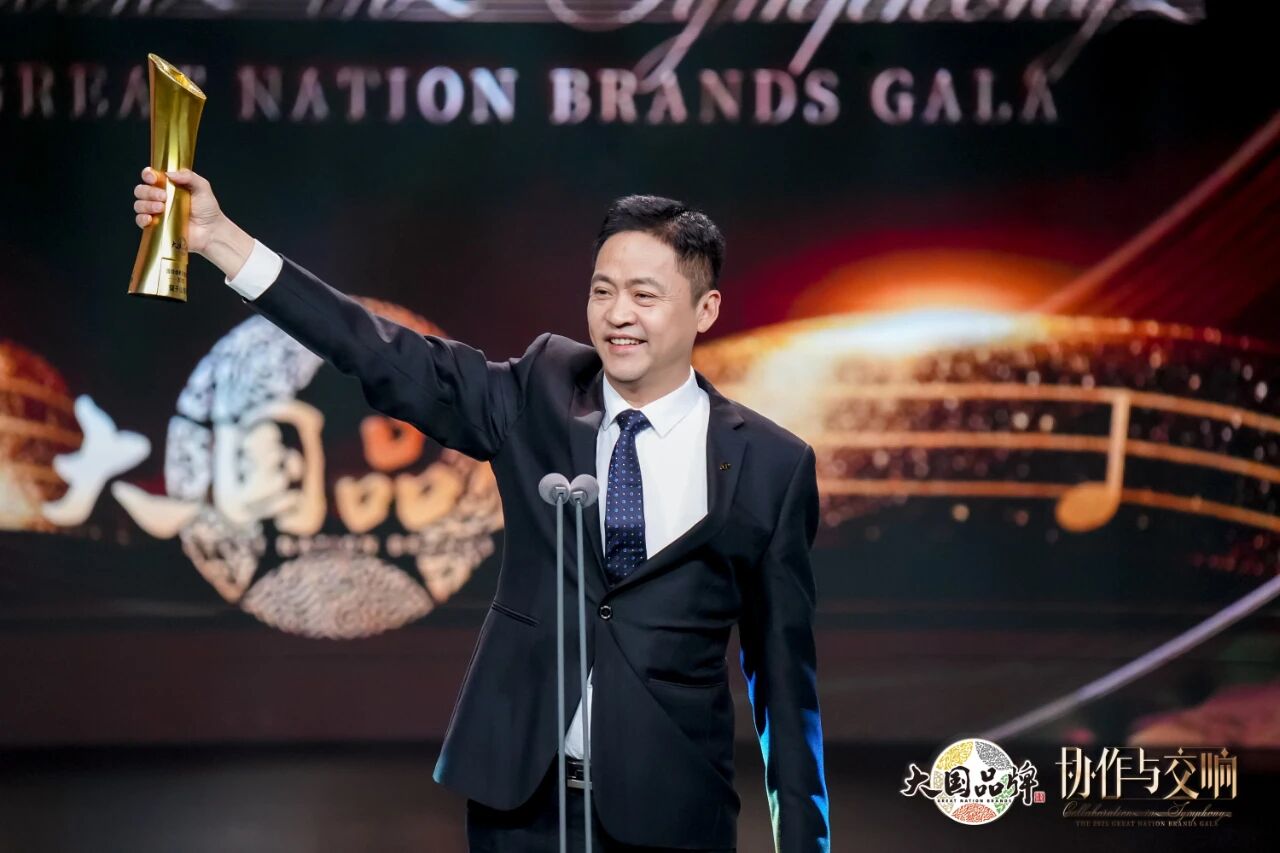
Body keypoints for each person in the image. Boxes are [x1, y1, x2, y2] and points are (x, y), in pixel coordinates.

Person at [131, 167, 832, 852]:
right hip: (522, 805)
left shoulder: (770, 465)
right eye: (602, 291)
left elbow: (784, 685)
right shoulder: (541, 392)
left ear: (706, 310)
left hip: (672, 811)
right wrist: (223, 241)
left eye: (644, 295)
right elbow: (375, 349)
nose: (618, 314)